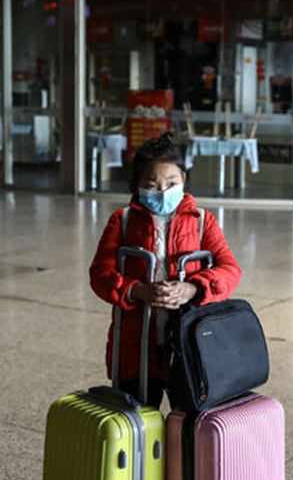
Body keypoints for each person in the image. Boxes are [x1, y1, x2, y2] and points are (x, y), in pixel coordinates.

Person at [89, 133, 241, 407]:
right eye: (151, 184)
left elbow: (230, 270)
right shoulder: (122, 222)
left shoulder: (202, 222)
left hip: (188, 343)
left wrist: (192, 288)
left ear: (184, 179)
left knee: (186, 418)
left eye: (171, 184)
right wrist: (137, 291)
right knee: (138, 416)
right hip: (135, 344)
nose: (162, 192)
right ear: (136, 184)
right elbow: (100, 274)